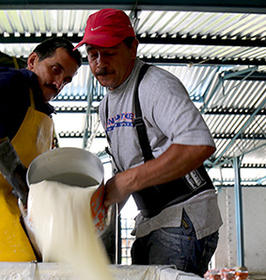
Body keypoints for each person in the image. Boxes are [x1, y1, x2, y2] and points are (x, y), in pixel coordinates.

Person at [74, 9, 222, 276]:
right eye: (92, 54)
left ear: (133, 48)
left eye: (108, 52)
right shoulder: (106, 106)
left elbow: (197, 145)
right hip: (149, 219)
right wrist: (95, 215)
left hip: (182, 217)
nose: (99, 64)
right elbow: (126, 169)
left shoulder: (155, 85)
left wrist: (127, 181)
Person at [0, 37, 81, 261]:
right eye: (55, 70)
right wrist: (12, 168)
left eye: (66, 80)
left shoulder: (42, 111)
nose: (59, 83)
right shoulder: (14, 82)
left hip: (19, 211)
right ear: (32, 61)